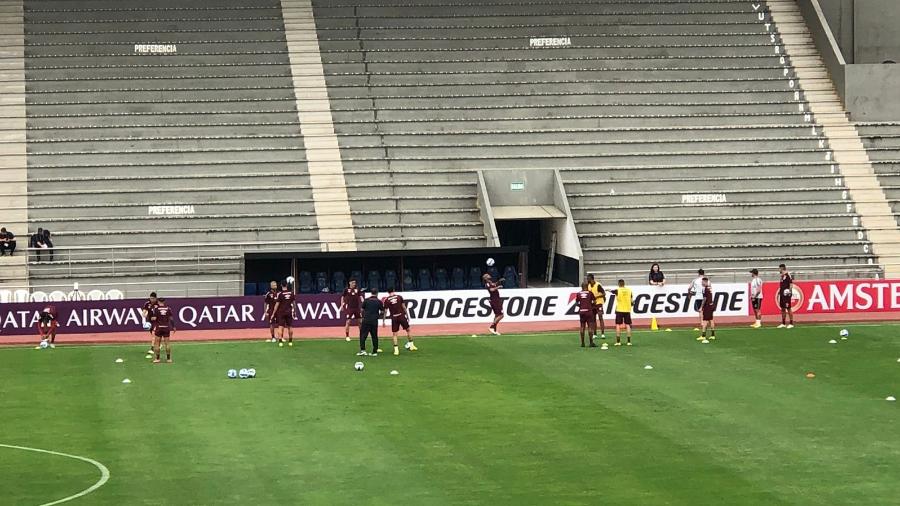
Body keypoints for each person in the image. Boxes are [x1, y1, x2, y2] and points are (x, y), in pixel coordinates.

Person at [383, 287, 416, 356]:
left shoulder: (386, 300)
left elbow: (385, 311)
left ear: (388, 292)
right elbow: (404, 307)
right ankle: (412, 345)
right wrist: (407, 315)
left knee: (395, 334)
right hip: (401, 316)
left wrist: (384, 321)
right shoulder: (399, 297)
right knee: (408, 330)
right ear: (394, 290)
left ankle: (396, 350)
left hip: (394, 317)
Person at [270, 280, 296, 347]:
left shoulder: (280, 294)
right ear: (287, 285)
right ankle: (290, 342)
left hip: (281, 312)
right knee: (290, 326)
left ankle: (280, 342)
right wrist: (295, 311)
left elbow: (277, 305)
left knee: (280, 327)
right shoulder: (291, 293)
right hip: (289, 312)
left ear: (281, 285)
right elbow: (294, 303)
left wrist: (273, 314)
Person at [358, 288, 383, 356]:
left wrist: (363, 316)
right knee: (374, 336)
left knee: (363, 335)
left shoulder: (366, 300)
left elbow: (362, 309)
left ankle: (363, 350)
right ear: (377, 293)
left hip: (366, 320)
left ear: (371, 293)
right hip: (374, 321)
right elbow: (382, 311)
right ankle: (374, 351)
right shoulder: (379, 301)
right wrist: (378, 315)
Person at [150, 298, 175, 363]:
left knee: (157, 343)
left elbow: (154, 318)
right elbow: (171, 319)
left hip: (159, 328)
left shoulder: (156, 309)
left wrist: (151, 319)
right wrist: (174, 327)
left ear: (158, 302)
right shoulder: (168, 309)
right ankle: (169, 359)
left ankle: (157, 359)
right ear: (164, 301)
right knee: (167, 344)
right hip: (166, 327)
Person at [610, 279, 633, 346]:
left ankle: (618, 341)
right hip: (627, 310)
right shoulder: (629, 290)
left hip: (619, 309)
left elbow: (611, 291)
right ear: (624, 284)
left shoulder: (618, 290)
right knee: (628, 325)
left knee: (618, 325)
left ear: (619, 284)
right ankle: (628, 341)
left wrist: (607, 290)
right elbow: (632, 301)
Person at [576, 283, 598, 348]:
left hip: (582, 311)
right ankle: (591, 343)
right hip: (588, 311)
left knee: (582, 326)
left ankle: (582, 343)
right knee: (590, 326)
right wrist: (591, 305)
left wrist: (581, 306)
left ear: (581, 287)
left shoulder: (578, 294)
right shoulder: (590, 293)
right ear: (587, 287)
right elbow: (594, 301)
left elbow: (577, 303)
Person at [586, 274, 606, 340]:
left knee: (600, 316)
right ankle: (595, 334)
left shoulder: (598, 285)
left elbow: (604, 294)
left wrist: (596, 297)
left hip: (599, 303)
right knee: (593, 319)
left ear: (592, 279)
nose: (587, 279)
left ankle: (602, 333)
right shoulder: (588, 286)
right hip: (592, 304)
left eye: (588, 278)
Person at [777, 264, 795, 329]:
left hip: (786, 294)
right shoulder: (782, 276)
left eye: (779, 268)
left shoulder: (788, 275)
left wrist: (790, 291)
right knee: (782, 308)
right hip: (782, 294)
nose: (778, 270)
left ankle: (791, 323)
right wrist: (779, 292)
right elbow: (782, 285)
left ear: (782, 268)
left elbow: (791, 284)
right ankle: (783, 323)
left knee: (788, 308)